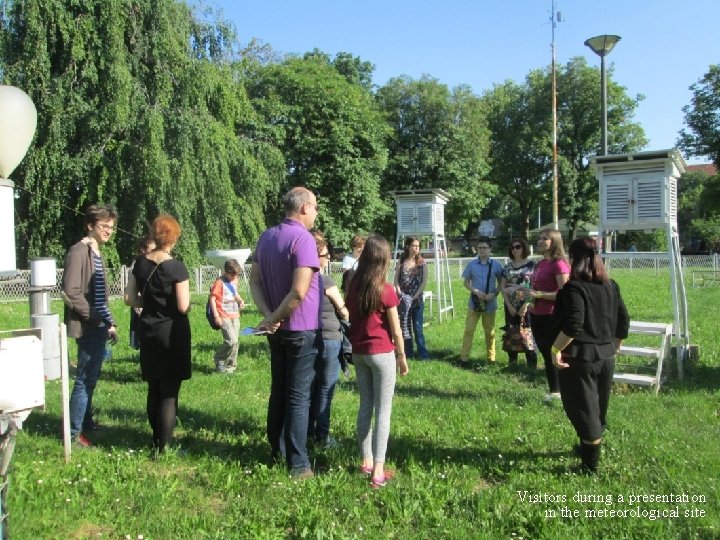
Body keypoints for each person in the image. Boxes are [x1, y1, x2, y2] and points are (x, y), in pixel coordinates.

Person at [249, 186, 321, 479]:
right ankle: (298, 463)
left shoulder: (267, 236)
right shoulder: (303, 239)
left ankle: (276, 449)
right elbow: (299, 290)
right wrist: (275, 317)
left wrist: (268, 318)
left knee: (279, 390)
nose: (316, 212)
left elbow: (253, 282)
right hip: (300, 328)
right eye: (315, 207)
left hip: (276, 330)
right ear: (304, 208)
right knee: (297, 396)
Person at [550, 237, 630, 473]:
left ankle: (589, 466)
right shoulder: (611, 285)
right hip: (605, 357)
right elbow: (623, 319)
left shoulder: (574, 288)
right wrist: (615, 344)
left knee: (583, 409)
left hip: (580, 358)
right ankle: (588, 446)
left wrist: (556, 349)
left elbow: (574, 324)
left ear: (574, 260)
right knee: (597, 407)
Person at [345, 234, 409, 489]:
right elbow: (396, 331)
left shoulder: (353, 287)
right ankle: (378, 471)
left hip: (359, 353)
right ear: (383, 259)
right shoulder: (386, 290)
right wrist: (402, 357)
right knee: (383, 411)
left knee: (365, 406)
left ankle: (366, 461)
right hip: (382, 354)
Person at [124, 214, 191, 452]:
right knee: (169, 391)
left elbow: (129, 298)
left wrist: (150, 301)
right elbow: (183, 306)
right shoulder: (176, 268)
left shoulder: (140, 264)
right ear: (174, 238)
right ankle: (166, 446)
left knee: (154, 385)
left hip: (148, 329)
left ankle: (155, 439)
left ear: (154, 234)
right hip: (172, 331)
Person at [62, 204, 119, 447]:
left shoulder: (96, 252)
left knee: (91, 378)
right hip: (87, 326)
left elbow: (100, 296)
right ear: (90, 225)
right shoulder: (78, 251)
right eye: (104, 226)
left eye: (111, 228)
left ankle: (85, 422)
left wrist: (110, 322)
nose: (108, 231)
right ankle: (73, 433)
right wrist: (95, 318)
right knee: (84, 379)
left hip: (98, 325)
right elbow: (71, 292)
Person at [308, 237, 349, 448]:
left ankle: (307, 431)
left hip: (310, 338)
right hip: (330, 338)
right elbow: (343, 310)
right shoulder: (326, 282)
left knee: (311, 388)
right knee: (326, 389)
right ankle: (322, 437)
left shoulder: (302, 279)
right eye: (325, 255)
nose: (329, 257)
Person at [529, 229, 570, 402]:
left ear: (554, 242)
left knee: (555, 352)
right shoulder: (539, 264)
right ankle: (554, 391)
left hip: (552, 315)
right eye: (539, 238)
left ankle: (565, 391)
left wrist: (538, 295)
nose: (539, 241)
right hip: (536, 314)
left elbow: (565, 293)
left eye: (544, 238)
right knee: (546, 354)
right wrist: (529, 298)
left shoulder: (559, 264)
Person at [459, 238, 503, 363]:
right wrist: (475, 291)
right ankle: (464, 358)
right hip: (474, 304)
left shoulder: (496, 265)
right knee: (469, 330)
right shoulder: (472, 264)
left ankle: (491, 358)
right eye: (480, 248)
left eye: (485, 248)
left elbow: (501, 283)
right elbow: (466, 283)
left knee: (490, 332)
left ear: (490, 249)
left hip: (490, 304)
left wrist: (494, 293)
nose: (482, 250)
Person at [500, 238, 537, 367]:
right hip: (510, 305)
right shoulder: (507, 267)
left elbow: (534, 286)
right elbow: (503, 288)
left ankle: (531, 363)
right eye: (513, 247)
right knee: (511, 330)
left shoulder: (532, 265)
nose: (515, 249)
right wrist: (509, 305)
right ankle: (512, 362)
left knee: (527, 331)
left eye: (518, 247)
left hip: (527, 304)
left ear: (524, 248)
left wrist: (526, 305)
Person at [393, 236, 430, 360]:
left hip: (417, 300)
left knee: (418, 328)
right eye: (414, 246)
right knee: (405, 328)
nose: (416, 248)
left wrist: (414, 296)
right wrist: (400, 293)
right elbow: (396, 280)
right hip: (403, 301)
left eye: (418, 246)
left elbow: (424, 282)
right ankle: (408, 353)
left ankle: (422, 354)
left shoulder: (422, 262)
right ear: (408, 246)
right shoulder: (401, 261)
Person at [208, 259, 246, 373]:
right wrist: (216, 316)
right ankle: (219, 358)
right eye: (232, 274)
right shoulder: (219, 282)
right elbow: (212, 299)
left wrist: (240, 300)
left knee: (236, 342)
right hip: (223, 315)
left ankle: (231, 367)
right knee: (231, 341)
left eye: (236, 275)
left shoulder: (235, 280)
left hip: (235, 314)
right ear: (226, 271)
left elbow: (235, 294)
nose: (234, 277)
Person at [129, 236, 156, 351]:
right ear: (143, 250)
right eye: (152, 249)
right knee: (140, 326)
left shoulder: (153, 262)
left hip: (150, 302)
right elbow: (133, 287)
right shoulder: (137, 264)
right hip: (139, 301)